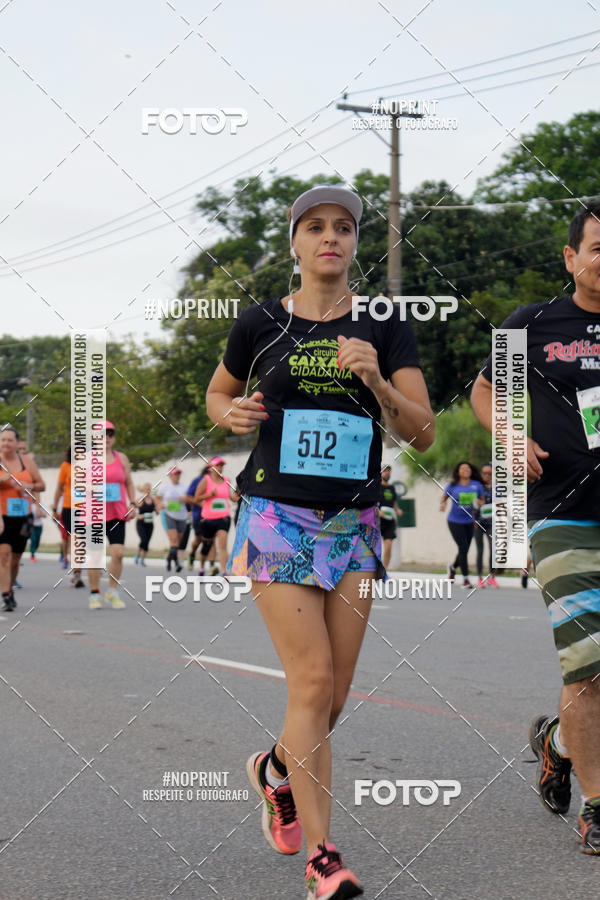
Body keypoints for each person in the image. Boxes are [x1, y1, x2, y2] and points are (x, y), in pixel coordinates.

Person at [206, 184, 434, 899]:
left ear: (357, 244)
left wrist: (377, 381)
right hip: (276, 517)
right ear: (295, 243)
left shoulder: (387, 328)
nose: (329, 237)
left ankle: (274, 773)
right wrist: (233, 412)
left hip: (355, 525)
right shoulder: (259, 324)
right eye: (315, 227)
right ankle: (323, 857)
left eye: (343, 227)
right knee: (308, 684)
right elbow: (217, 394)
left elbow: (420, 429)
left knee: (330, 700)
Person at [471, 200, 600, 854]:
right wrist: (510, 434)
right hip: (564, 515)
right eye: (598, 248)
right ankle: (598, 808)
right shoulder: (536, 325)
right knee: (589, 662)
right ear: (572, 257)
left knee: (593, 667)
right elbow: (487, 392)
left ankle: (556, 743)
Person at [87, 421, 135, 610]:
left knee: (119, 553)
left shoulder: (121, 458)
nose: (106, 438)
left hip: (117, 513)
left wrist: (132, 503)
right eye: (101, 434)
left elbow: (129, 483)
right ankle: (94, 593)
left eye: (110, 434)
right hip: (95, 514)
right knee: (95, 556)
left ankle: (112, 590)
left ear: (113, 438)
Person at [0, 426, 45, 610]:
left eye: (10, 440)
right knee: (4, 555)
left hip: (23, 517)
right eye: (3, 440)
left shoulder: (27, 462)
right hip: (2, 516)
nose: (6, 443)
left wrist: (29, 484)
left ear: (17, 443)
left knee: (16, 559)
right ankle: (5, 596)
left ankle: (9, 589)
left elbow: (42, 485)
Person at [439, 461, 484, 589]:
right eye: (463, 468)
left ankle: (453, 567)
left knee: (464, 549)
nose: (466, 470)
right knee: (463, 548)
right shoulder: (452, 485)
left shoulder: (476, 485)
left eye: (468, 468)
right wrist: (443, 504)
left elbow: (482, 499)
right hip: (455, 521)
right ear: (458, 471)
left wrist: (479, 503)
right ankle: (466, 579)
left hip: (470, 521)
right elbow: (444, 498)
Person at [192, 457, 238, 576]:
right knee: (206, 545)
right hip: (208, 519)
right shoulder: (206, 480)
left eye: (222, 466)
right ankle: (201, 567)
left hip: (223, 518)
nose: (220, 468)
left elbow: (232, 498)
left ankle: (224, 571)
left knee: (222, 546)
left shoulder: (227, 480)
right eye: (218, 466)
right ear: (211, 468)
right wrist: (209, 495)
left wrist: (239, 494)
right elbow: (196, 498)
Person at [52, 444, 84, 587]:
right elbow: (59, 488)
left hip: (87, 508)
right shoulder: (65, 466)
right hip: (69, 507)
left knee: (84, 541)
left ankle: (80, 567)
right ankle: (77, 572)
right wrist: (54, 506)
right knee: (75, 539)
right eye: (76, 450)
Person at [155, 467, 189, 572]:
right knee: (173, 540)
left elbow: (190, 499)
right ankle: (177, 563)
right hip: (168, 515)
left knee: (177, 542)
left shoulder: (184, 487)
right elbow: (157, 498)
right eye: (175, 474)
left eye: (178, 474)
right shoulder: (165, 487)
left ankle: (169, 558)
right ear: (170, 476)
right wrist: (159, 504)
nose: (177, 476)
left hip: (182, 516)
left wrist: (185, 499)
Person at [473, 461, 498, 589]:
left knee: (493, 549)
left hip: (491, 523)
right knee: (480, 550)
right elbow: (471, 505)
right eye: (484, 473)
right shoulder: (476, 487)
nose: (487, 476)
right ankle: (480, 578)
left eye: (489, 473)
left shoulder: (498, 488)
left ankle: (492, 577)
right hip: (478, 523)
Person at [378, 464, 403, 570]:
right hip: (377, 520)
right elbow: (371, 501)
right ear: (380, 473)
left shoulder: (392, 488)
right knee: (374, 547)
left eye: (388, 471)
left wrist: (398, 510)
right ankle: (372, 570)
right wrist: (377, 511)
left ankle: (384, 570)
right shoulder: (376, 487)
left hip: (390, 521)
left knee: (388, 545)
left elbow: (394, 502)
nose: (387, 473)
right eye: (385, 471)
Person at [134, 483, 155, 566]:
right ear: (143, 490)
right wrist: (138, 515)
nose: (148, 491)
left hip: (150, 524)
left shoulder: (153, 501)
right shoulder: (140, 500)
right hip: (141, 524)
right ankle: (137, 555)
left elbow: (157, 510)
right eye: (146, 489)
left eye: (149, 489)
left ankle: (142, 560)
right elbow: (131, 509)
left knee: (147, 542)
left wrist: (157, 510)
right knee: (143, 539)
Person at [29, 495, 45, 561]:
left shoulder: (40, 506)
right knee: (33, 540)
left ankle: (34, 551)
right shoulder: (30, 506)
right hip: (32, 526)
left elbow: (45, 515)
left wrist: (40, 514)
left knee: (37, 541)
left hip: (39, 525)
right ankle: (32, 555)